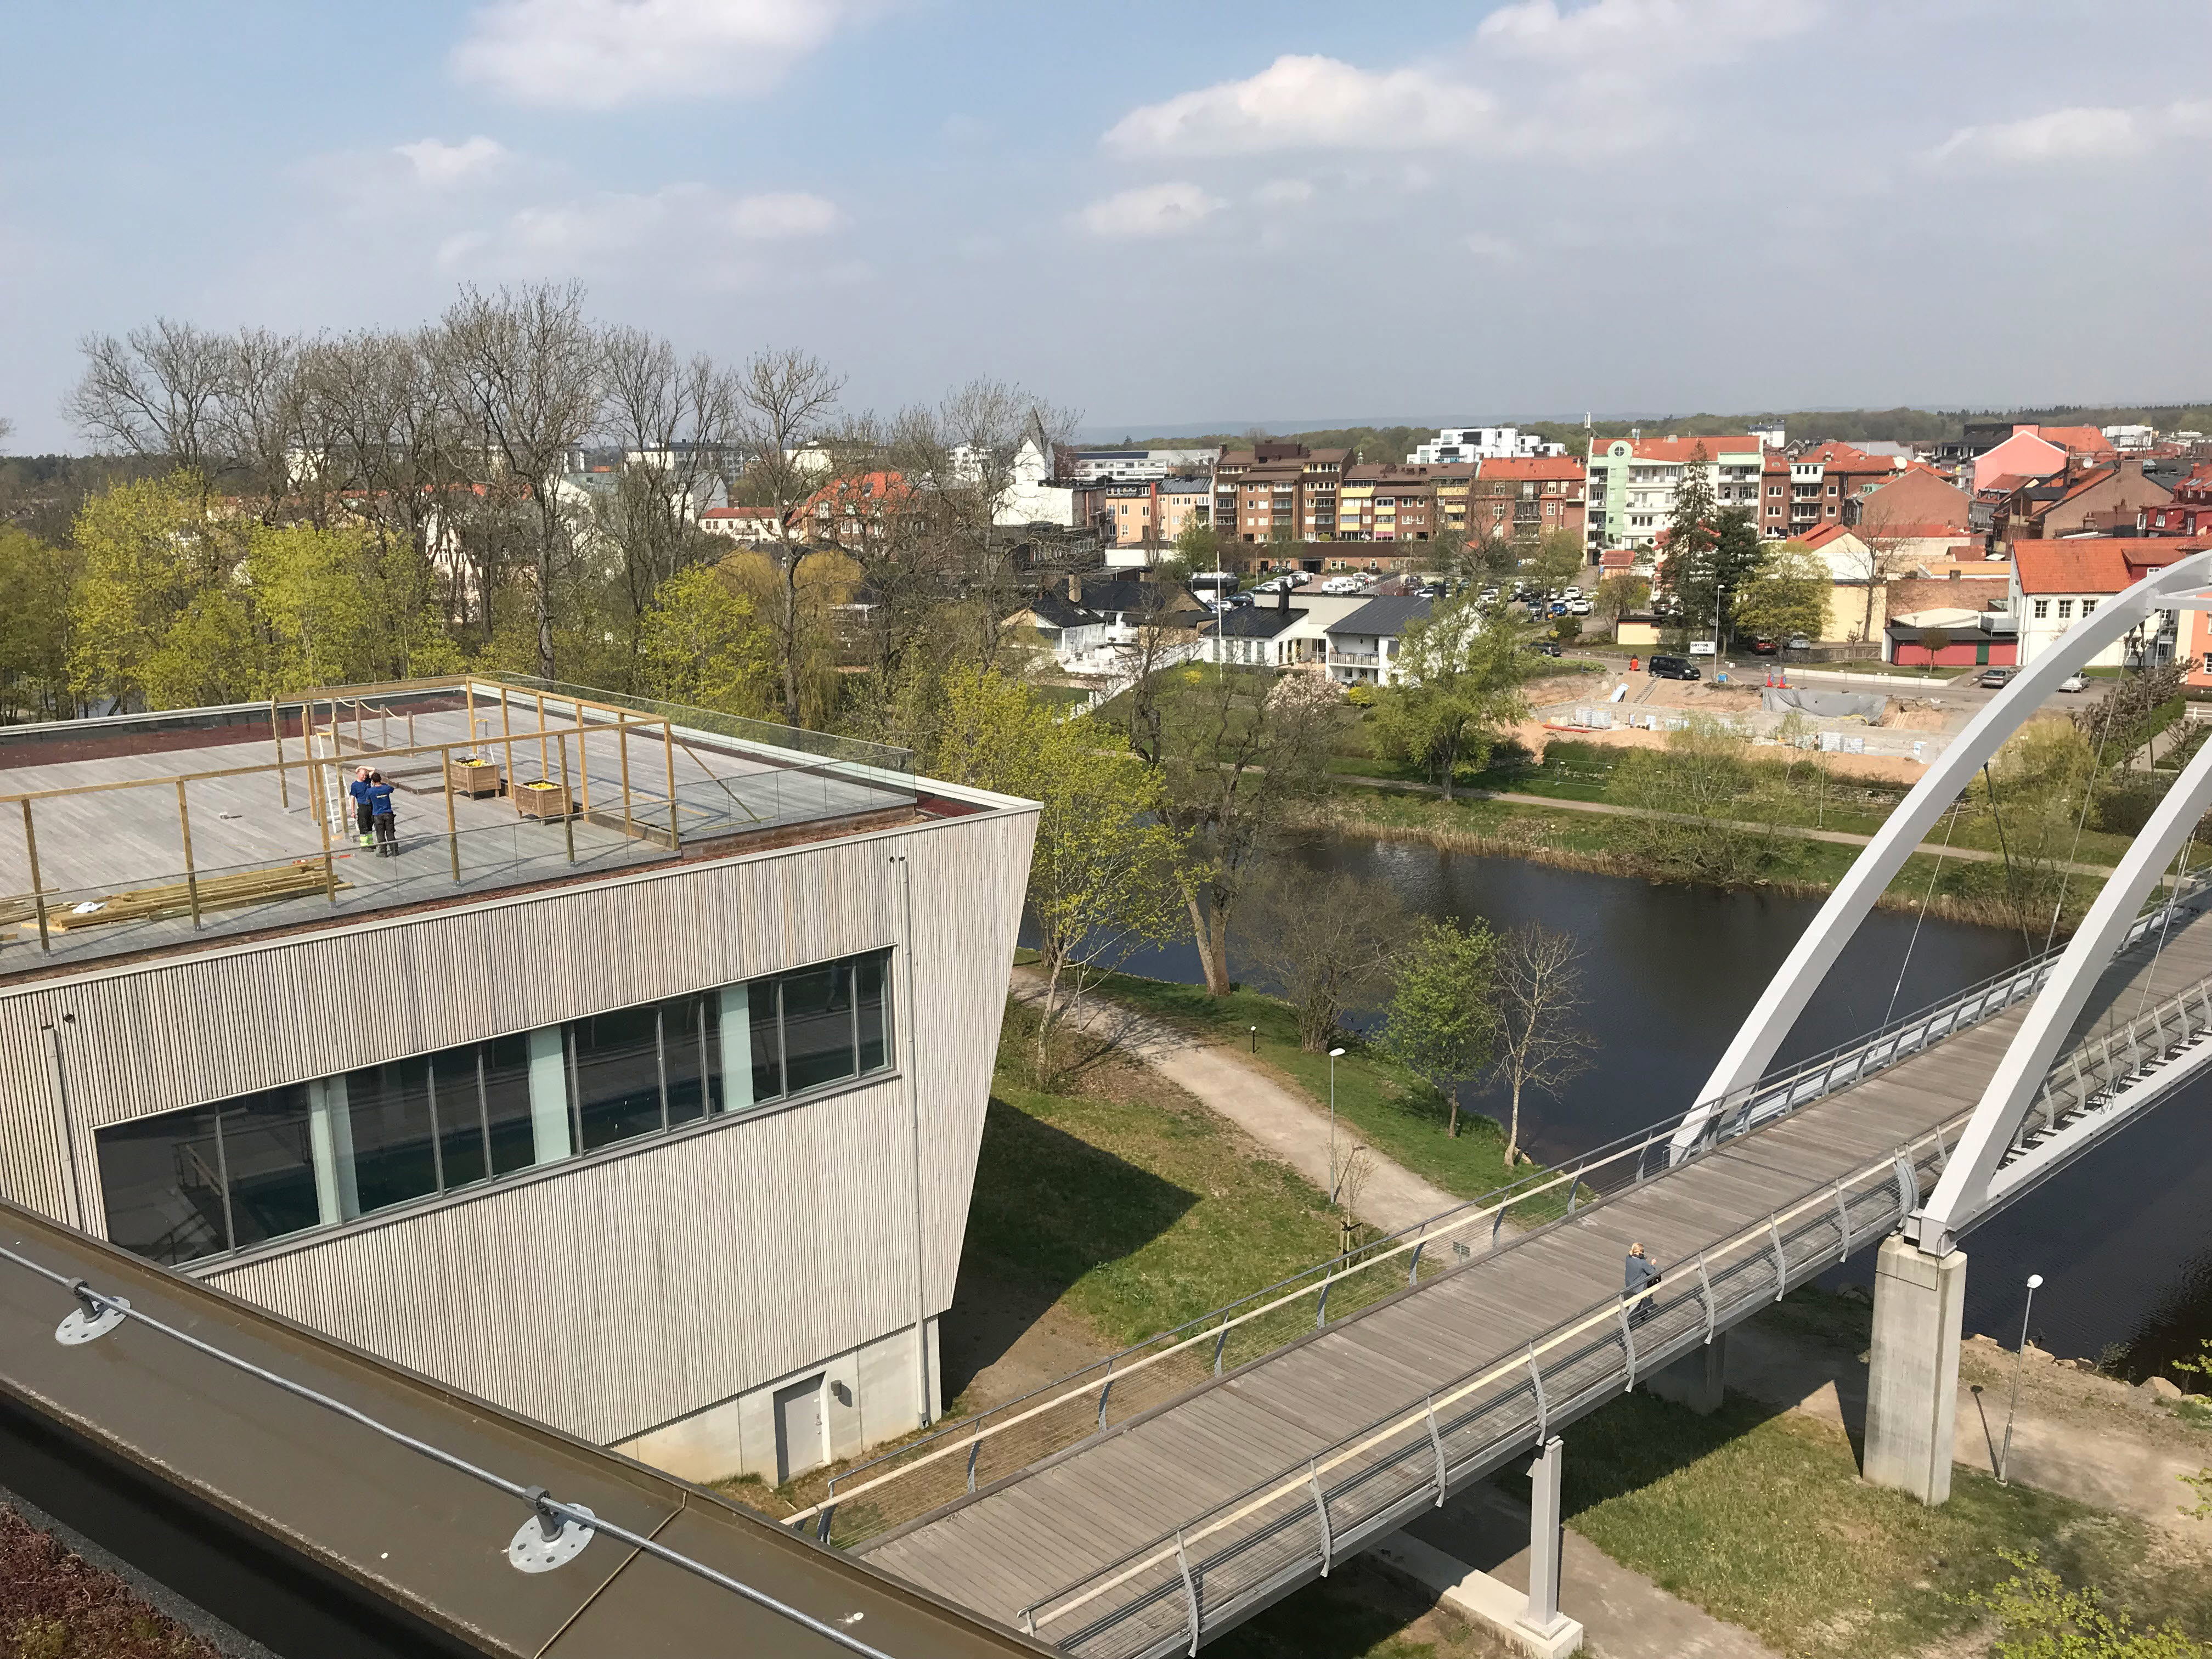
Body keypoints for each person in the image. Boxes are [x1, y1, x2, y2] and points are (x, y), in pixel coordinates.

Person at [1624, 1241, 1661, 1325]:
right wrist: (1652, 1264)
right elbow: (1652, 1272)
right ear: (1639, 1252)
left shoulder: (1628, 1258)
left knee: (1641, 1298)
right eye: (1643, 1251)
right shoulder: (1642, 1263)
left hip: (1630, 1285)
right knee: (1635, 1303)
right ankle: (1627, 1321)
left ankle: (1642, 1313)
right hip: (1639, 1288)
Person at [367, 770, 399, 859]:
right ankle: (394, 851)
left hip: (377, 814)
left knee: (380, 834)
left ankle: (383, 852)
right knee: (390, 833)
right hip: (388, 813)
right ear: (380, 779)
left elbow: (368, 801)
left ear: (373, 782)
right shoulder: (386, 788)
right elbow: (392, 789)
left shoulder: (370, 791)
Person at [348, 766, 375, 848]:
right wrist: (353, 812)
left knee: (370, 824)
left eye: (366, 775)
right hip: (362, 806)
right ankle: (364, 845)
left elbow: (373, 769)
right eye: (363, 775)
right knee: (363, 825)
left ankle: (370, 844)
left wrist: (361, 767)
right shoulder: (355, 785)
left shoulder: (367, 780)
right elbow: (352, 798)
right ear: (358, 774)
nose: (365, 777)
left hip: (370, 806)